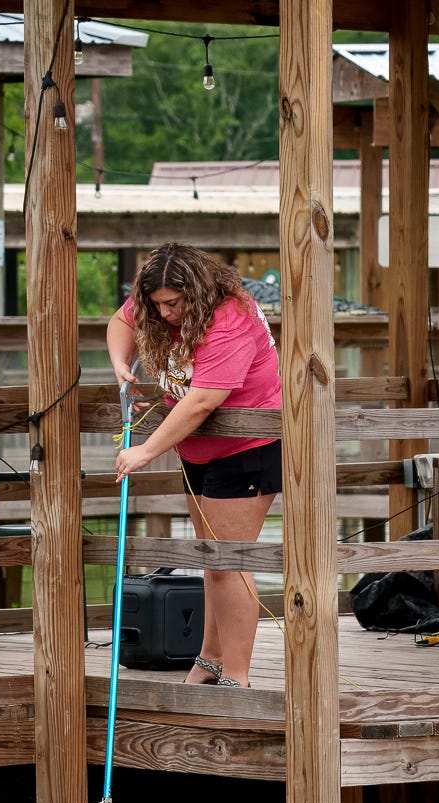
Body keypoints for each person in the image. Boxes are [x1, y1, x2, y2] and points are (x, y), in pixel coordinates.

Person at [106, 243, 282, 688]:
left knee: (229, 562)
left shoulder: (231, 318)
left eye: (173, 304)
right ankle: (208, 661)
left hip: (249, 445)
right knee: (210, 560)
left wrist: (145, 451)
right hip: (199, 450)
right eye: (157, 304)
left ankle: (237, 681)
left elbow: (202, 400)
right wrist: (121, 364)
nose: (164, 314)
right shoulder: (156, 305)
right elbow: (121, 321)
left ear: (198, 291)